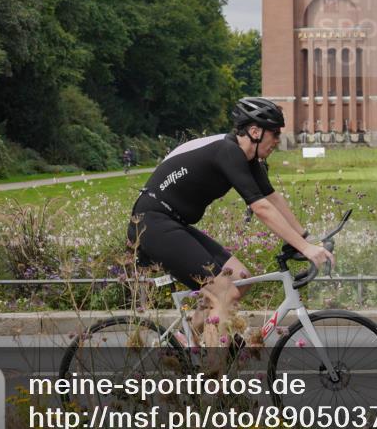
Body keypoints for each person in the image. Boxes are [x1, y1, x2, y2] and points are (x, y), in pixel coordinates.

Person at [126, 97, 335, 355]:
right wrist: (304, 247)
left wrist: (305, 239)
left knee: (240, 279)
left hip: (171, 222)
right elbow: (261, 208)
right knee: (224, 293)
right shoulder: (228, 151)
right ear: (255, 132)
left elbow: (271, 197)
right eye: (275, 133)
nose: (278, 140)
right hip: (152, 223)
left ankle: (188, 338)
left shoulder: (249, 159)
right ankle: (215, 381)